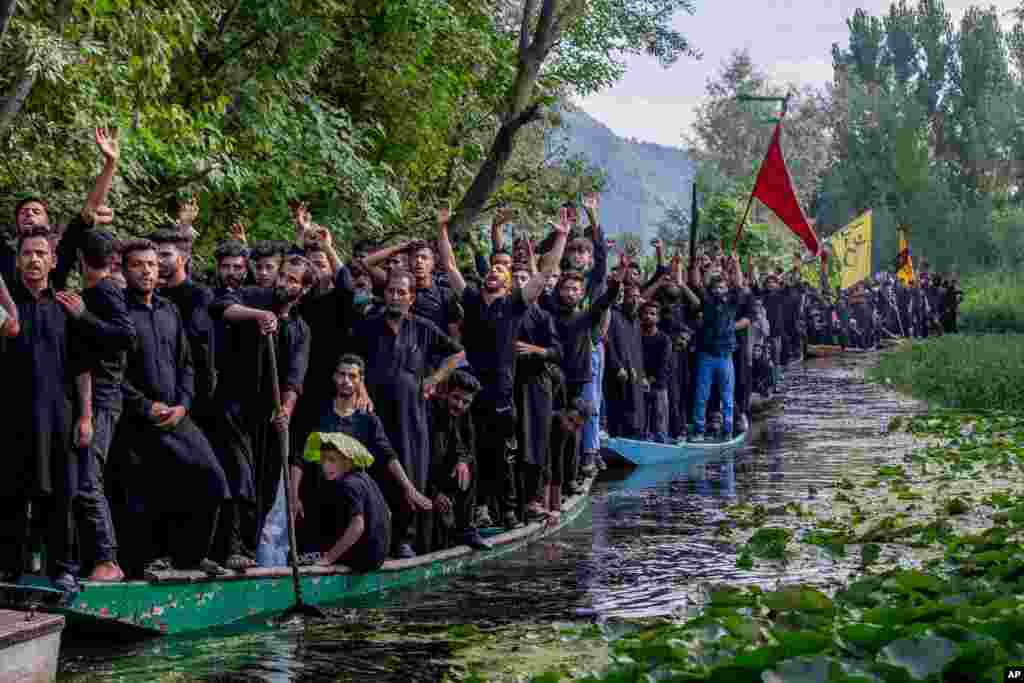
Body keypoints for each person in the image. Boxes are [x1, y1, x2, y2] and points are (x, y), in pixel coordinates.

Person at [437, 206, 568, 529]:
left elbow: (543, 274)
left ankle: (509, 510)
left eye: (501, 269)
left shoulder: (513, 305)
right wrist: (442, 228)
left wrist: (562, 237)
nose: (494, 270)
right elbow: (450, 265)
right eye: (492, 268)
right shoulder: (470, 299)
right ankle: (478, 509)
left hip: (502, 393)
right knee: (471, 452)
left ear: (509, 283)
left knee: (504, 456)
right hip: (471, 391)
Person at [116, 239, 230, 577]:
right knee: (146, 491)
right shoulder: (118, 311)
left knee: (212, 478)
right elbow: (111, 373)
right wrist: (145, 406)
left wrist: (183, 405)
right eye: (137, 264)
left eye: (151, 264)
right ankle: (146, 561)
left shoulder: (169, 309)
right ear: (125, 269)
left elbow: (187, 364)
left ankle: (191, 555)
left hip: (177, 414)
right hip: (137, 418)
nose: (147, 270)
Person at [348, 268, 464, 558]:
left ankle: (405, 540)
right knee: (373, 472)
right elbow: (351, 361)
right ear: (384, 294)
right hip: (375, 414)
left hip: (412, 417)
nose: (395, 297)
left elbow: (458, 354)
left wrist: (435, 380)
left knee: (411, 473)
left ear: (412, 297)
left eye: (402, 292)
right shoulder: (368, 326)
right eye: (391, 291)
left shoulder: (423, 327)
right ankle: (373, 539)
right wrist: (360, 386)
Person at [208, 254, 314, 570]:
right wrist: (257, 315)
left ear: (304, 289)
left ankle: (247, 552)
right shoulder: (254, 296)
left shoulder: (300, 329)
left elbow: (295, 377)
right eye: (283, 276)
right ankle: (230, 548)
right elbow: (219, 307)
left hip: (267, 418)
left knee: (264, 487)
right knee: (239, 476)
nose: (283, 282)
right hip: (233, 406)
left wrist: (286, 409)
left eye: (292, 280)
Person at [0, 227, 91, 592]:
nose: (34, 259)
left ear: (53, 261)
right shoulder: (7, 310)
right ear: (18, 260)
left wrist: (86, 416)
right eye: (27, 254)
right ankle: (8, 569)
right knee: (9, 494)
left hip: (60, 416)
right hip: (11, 417)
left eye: (41, 253)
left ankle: (64, 569)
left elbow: (84, 367)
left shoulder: (67, 306)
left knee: (61, 495)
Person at [290, 355, 430, 555]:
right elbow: (298, 457)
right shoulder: (318, 413)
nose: (346, 380)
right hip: (318, 497)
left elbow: (388, 455)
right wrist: (294, 496)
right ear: (334, 377)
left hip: (351, 501)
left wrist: (409, 487)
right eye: (342, 374)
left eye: (352, 376)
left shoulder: (367, 420)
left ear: (360, 380)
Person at [69, 230, 137, 582]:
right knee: (84, 479)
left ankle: (108, 560)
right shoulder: (92, 292)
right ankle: (93, 558)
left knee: (88, 480)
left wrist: (84, 316)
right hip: (93, 395)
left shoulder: (106, 290)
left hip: (104, 397)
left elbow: (127, 336)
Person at [2, 127, 119, 289]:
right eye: (23, 212)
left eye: (36, 211)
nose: (29, 214)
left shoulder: (61, 252)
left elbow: (89, 211)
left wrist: (110, 163)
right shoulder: (4, 251)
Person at [304, 432, 390, 573]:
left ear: (348, 461)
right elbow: (388, 513)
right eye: (323, 460)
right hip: (378, 557)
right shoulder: (365, 479)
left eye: (332, 460)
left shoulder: (348, 485)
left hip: (364, 561)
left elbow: (357, 526)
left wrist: (328, 559)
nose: (325, 466)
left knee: (307, 556)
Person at [429, 370, 492, 550]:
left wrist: (463, 461)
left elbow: (468, 446)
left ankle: (466, 529)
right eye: (456, 398)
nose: (459, 405)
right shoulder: (431, 414)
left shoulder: (464, 415)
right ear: (446, 393)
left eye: (466, 402)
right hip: (426, 483)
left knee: (470, 465)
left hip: (446, 479)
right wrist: (434, 493)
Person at [687, 255, 744, 442]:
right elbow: (696, 283)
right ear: (712, 290)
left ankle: (727, 430)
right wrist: (701, 265)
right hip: (706, 356)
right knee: (700, 395)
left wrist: (735, 264)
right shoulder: (708, 302)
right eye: (716, 287)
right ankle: (698, 430)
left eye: (722, 287)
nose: (719, 290)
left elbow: (739, 285)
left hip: (725, 356)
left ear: (727, 289)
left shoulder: (732, 303)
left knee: (727, 397)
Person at [639, 300, 672, 443]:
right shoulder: (637, 336)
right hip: (640, 383)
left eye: (652, 314)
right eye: (645, 313)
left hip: (658, 385)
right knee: (642, 421)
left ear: (658, 318)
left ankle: (662, 441)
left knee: (660, 419)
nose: (648, 316)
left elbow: (663, 365)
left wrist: (650, 380)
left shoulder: (664, 339)